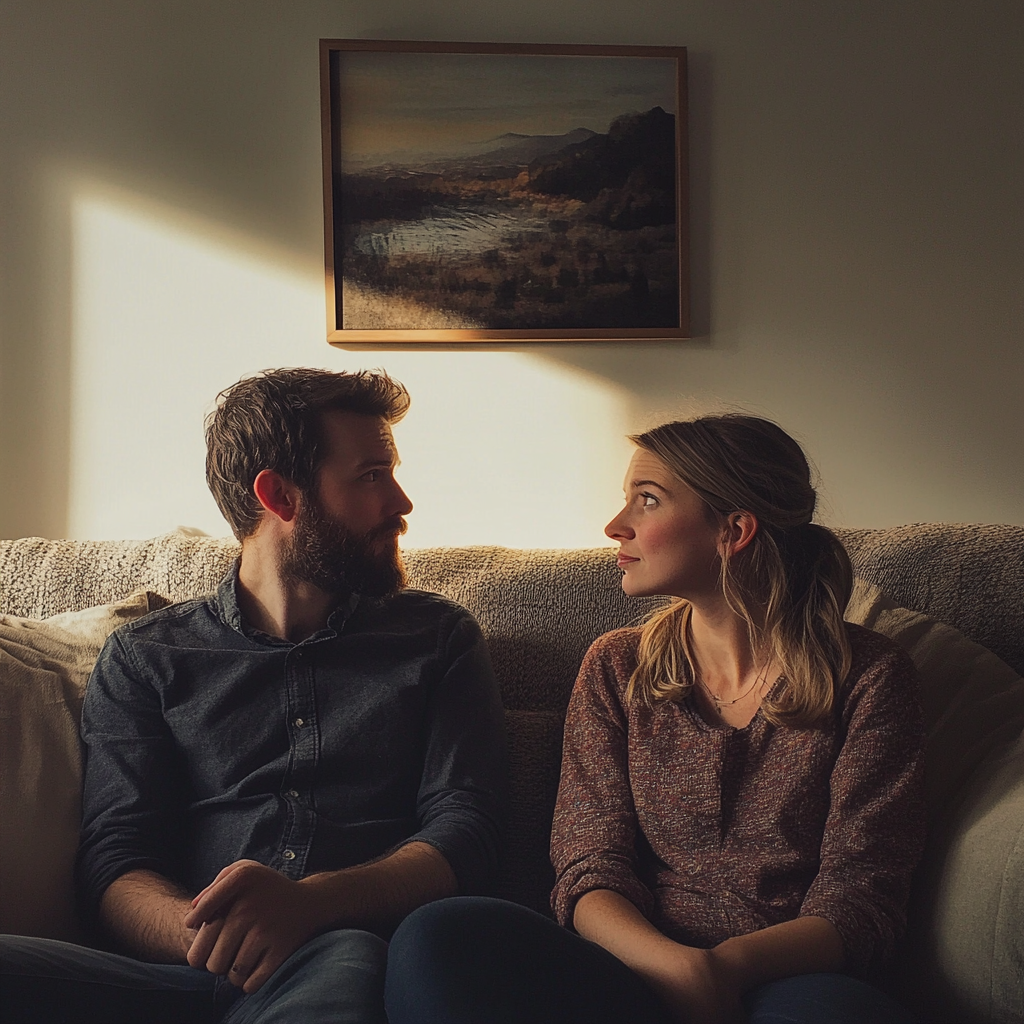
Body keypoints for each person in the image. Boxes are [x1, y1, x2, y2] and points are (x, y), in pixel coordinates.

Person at [0, 367, 507, 1024]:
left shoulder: (436, 639)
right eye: (371, 475)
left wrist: (312, 906)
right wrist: (220, 938)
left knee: (345, 958)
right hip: (173, 977)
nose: (401, 502)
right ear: (280, 496)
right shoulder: (148, 656)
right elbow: (118, 859)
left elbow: (467, 835)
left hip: (342, 959)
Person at [385, 414, 924, 1024]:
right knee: (437, 937)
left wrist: (725, 970)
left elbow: (861, 900)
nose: (616, 527)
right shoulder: (618, 667)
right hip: (628, 972)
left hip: (792, 982)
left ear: (734, 529)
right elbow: (590, 867)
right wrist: (674, 968)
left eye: (647, 500)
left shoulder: (870, 676)